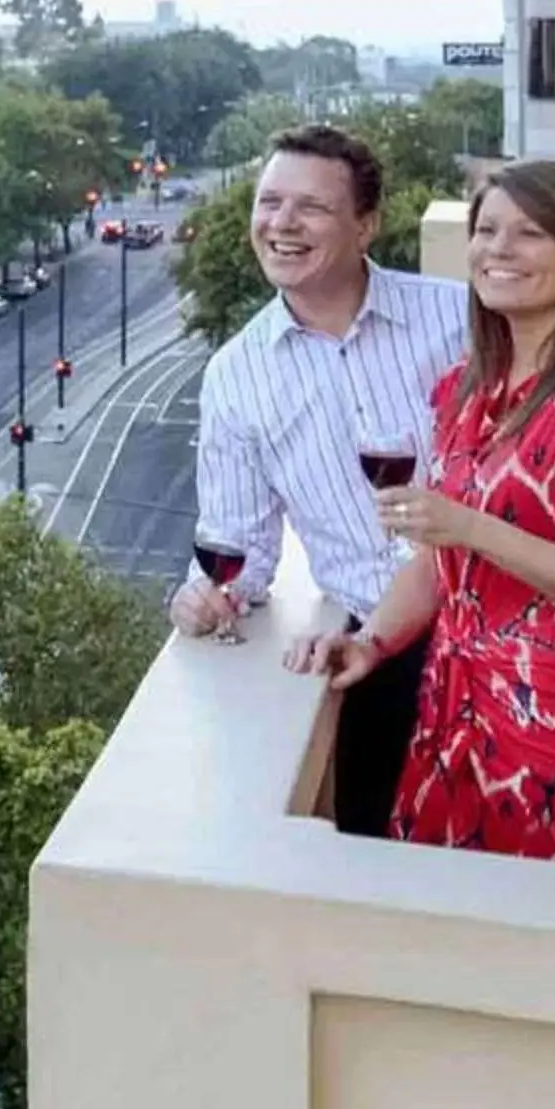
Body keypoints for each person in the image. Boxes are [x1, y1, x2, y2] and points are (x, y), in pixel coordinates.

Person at [292, 161, 555, 866]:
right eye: (487, 230)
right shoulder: (465, 388)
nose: (498, 249)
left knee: (548, 962)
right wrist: (372, 642)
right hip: (449, 726)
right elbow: (437, 565)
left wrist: (470, 526)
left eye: (530, 233)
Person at [174, 125, 469, 837]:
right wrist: (207, 595)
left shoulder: (459, 319)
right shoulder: (237, 375)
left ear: (366, 225)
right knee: (387, 872)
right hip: (381, 656)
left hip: (506, 633)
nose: (282, 223)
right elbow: (236, 544)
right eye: (269, 201)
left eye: (311, 207)